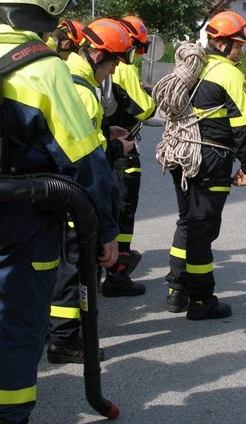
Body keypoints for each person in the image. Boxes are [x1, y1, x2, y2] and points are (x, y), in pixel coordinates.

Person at [0, 0, 120, 423]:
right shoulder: (44, 69)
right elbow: (86, 161)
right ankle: (5, 416)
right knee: (20, 328)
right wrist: (106, 228)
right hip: (24, 221)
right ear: (48, 7)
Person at [47, 17, 134, 364]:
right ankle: (65, 341)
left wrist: (106, 132)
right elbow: (86, 159)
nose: (112, 71)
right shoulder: (82, 91)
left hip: (61, 191)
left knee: (66, 266)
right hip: (76, 195)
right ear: (98, 55)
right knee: (74, 269)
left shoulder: (69, 77)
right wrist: (115, 149)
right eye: (112, 63)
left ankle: (61, 334)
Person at [165, 10, 246, 320]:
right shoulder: (229, 74)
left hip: (181, 155)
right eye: (239, 45)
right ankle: (202, 300)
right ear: (223, 44)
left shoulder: (190, 68)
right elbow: (245, 127)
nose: (241, 50)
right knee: (203, 230)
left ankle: (176, 291)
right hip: (211, 159)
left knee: (186, 222)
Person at [100, 15, 156, 297]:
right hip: (123, 151)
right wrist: (152, 97)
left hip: (103, 147)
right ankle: (117, 274)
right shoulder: (125, 69)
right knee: (124, 212)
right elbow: (145, 109)